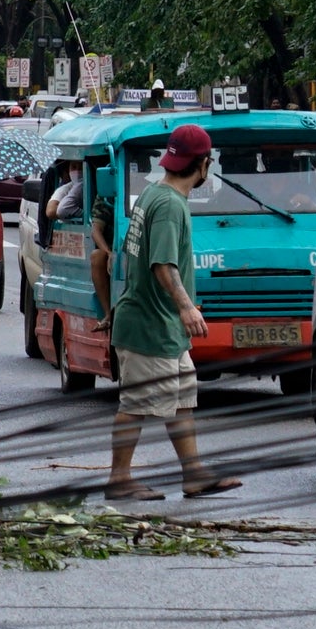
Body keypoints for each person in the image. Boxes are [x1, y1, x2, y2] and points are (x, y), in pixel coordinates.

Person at [103, 125, 241, 502]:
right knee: (136, 405)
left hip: (163, 326)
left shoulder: (153, 193)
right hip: (150, 325)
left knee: (182, 400)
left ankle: (193, 473)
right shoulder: (168, 205)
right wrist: (185, 307)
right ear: (204, 164)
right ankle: (119, 479)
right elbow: (162, 264)